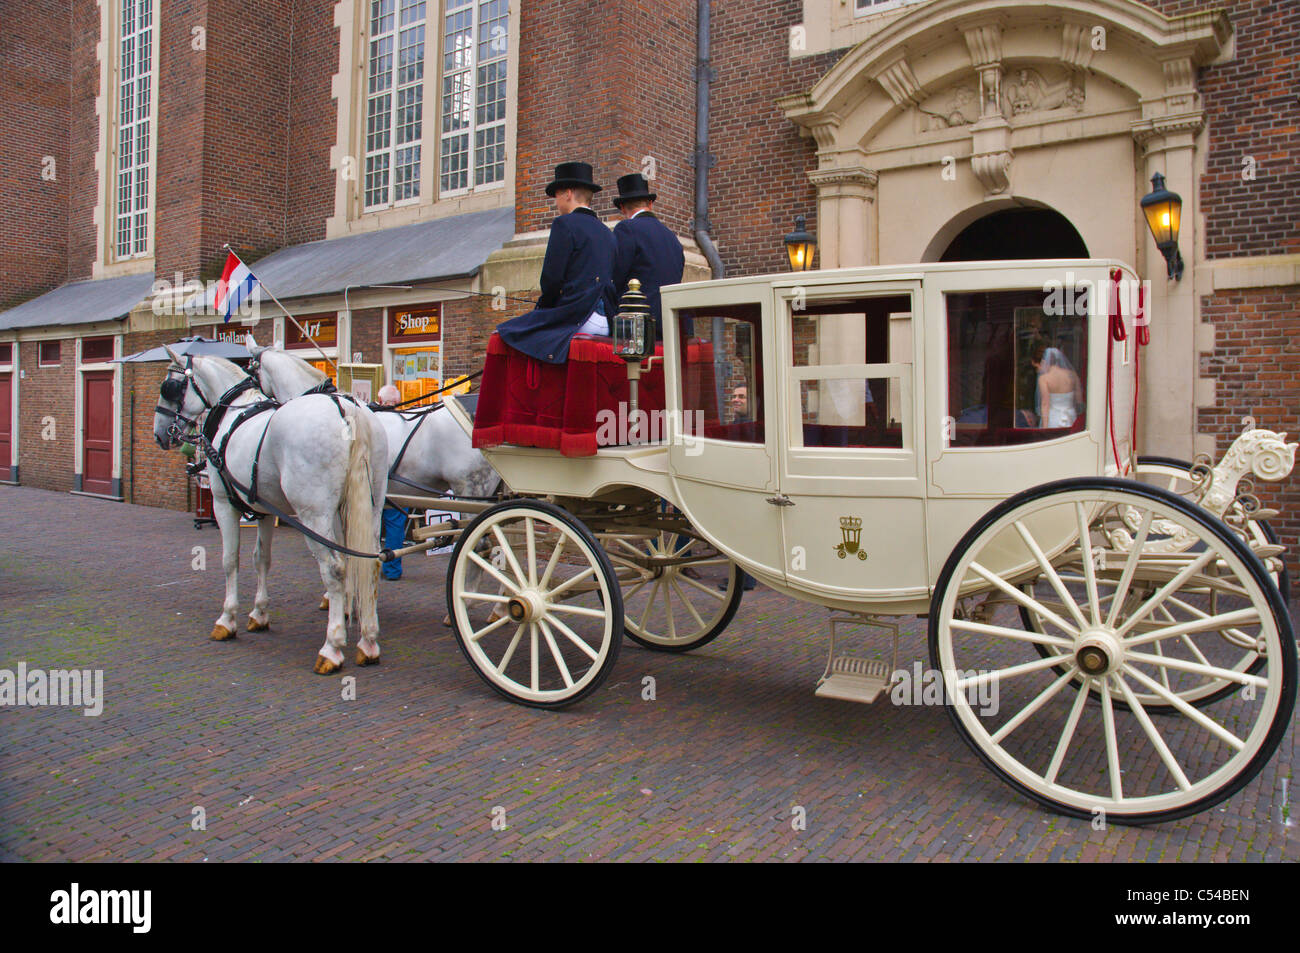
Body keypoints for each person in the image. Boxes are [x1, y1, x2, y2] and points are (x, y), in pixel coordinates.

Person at [496, 161, 618, 363]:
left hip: (579, 318)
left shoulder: (564, 224)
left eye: (557, 195)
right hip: (607, 322)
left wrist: (541, 311)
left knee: (505, 333)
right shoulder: (608, 233)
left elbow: (551, 281)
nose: (556, 202)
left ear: (568, 193)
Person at [611, 173, 685, 340]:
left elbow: (616, 276)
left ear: (622, 207)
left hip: (638, 322)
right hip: (670, 321)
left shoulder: (626, 229)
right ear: (650, 204)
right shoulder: (671, 236)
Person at [377, 383, 406, 581]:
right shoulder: (404, 422)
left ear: (380, 401)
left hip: (372, 482)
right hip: (396, 483)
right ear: (398, 402)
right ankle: (392, 569)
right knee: (395, 526)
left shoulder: (372, 420)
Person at [1033, 345, 1083, 428]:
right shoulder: (1072, 375)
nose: (1038, 370)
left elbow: (1045, 403)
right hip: (1071, 417)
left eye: (1038, 366)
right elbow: (1079, 399)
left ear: (1045, 361)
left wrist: (1045, 428)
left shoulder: (1044, 379)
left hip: (1053, 418)